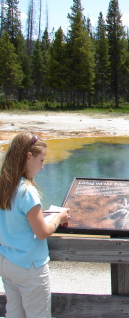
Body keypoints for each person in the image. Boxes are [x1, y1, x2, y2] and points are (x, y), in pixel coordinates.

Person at [0, 131, 70, 318]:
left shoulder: (4, 186)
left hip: (7, 262)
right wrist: (58, 218)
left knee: (14, 312)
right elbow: (42, 232)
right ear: (29, 157)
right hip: (29, 266)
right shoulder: (26, 191)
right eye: (41, 160)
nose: (42, 167)